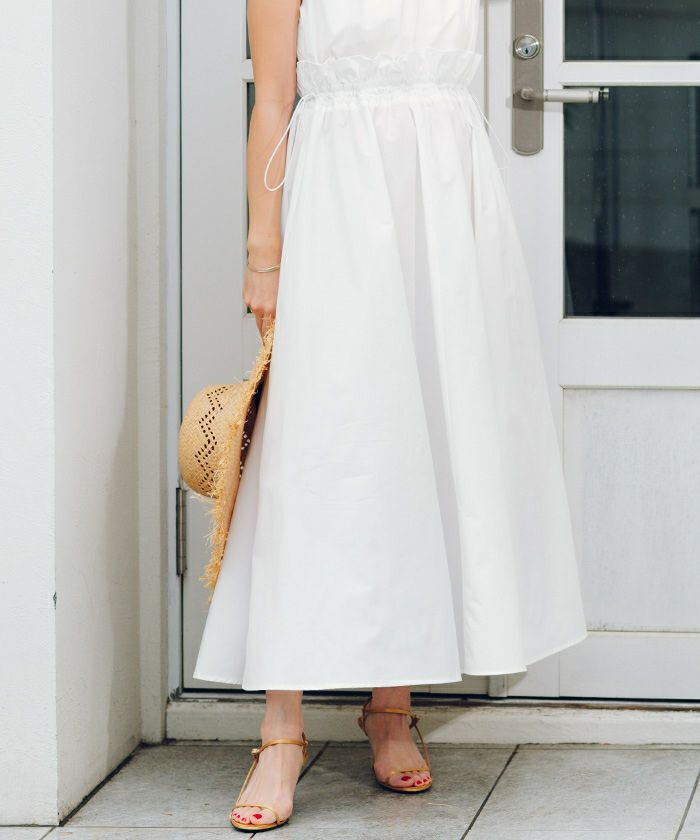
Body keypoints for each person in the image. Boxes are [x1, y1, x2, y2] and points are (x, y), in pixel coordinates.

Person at [193, 0, 588, 831]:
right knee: (318, 452)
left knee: (425, 441)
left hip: (447, 210)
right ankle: (281, 730)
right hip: (337, 208)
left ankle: (390, 706)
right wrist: (264, 251)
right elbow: (274, 98)